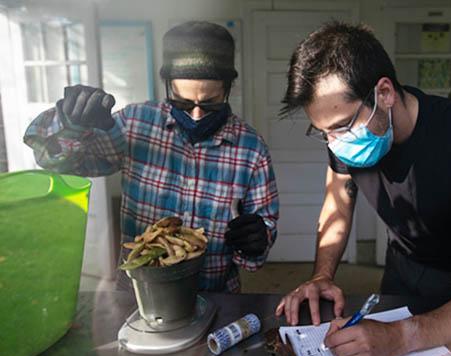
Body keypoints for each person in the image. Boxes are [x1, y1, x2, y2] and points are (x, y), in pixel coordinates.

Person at [275, 21, 451, 356]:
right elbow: (338, 203)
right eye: (323, 133)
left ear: (385, 93)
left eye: (342, 127)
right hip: (401, 268)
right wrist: (322, 276)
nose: (336, 144)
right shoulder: (344, 138)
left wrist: (401, 337)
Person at [24, 21, 279, 293]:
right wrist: (71, 124)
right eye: (182, 102)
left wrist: (256, 239)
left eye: (209, 103)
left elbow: (260, 239)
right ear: (168, 85)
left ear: (228, 88)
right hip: (139, 294)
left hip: (214, 294)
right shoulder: (135, 124)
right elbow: (58, 161)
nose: (196, 114)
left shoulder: (251, 149)